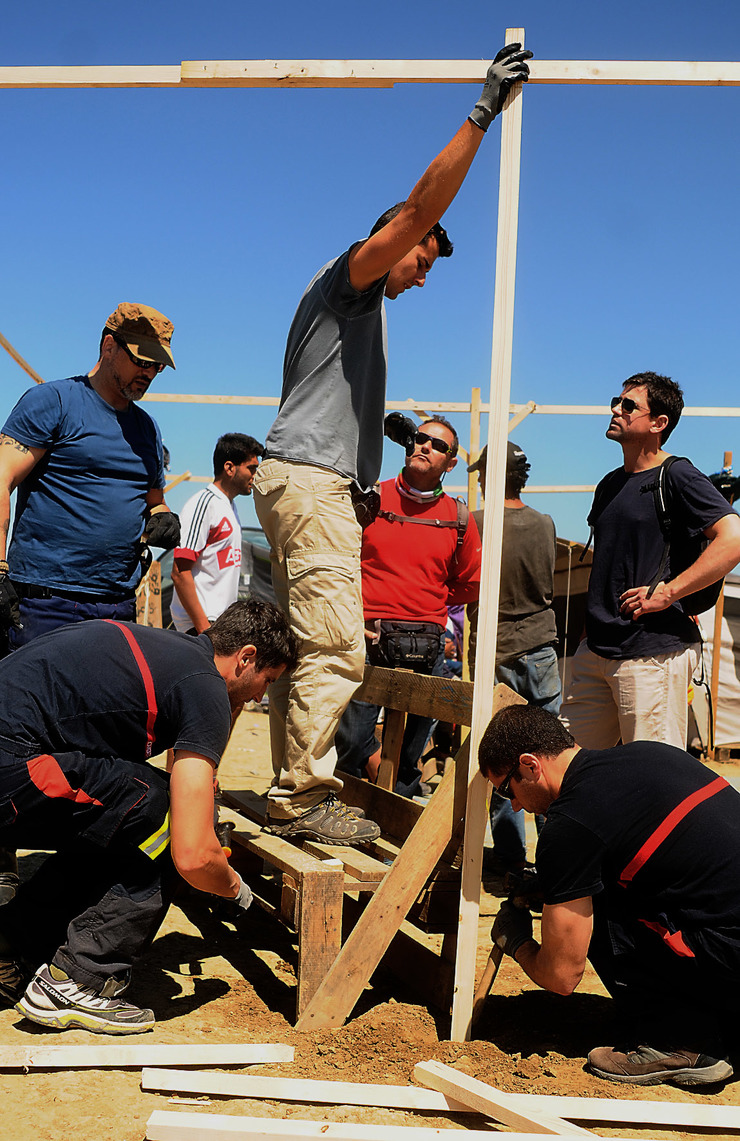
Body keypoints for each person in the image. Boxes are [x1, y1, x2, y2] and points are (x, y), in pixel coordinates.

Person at [253, 44, 532, 843]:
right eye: (420, 258)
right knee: (340, 648)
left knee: (301, 648)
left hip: (306, 478)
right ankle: (302, 796)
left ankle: (290, 787)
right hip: (310, 480)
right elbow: (415, 210)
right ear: (388, 242)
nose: (421, 272)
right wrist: (482, 113)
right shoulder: (352, 278)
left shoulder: (355, 315)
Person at [0, 599, 298, 1035]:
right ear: (246, 657)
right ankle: (78, 980)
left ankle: (12, 949)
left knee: (127, 813)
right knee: (167, 820)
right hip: (13, 767)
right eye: (266, 681)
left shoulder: (167, 656)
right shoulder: (205, 685)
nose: (259, 696)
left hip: (16, 756)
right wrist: (235, 890)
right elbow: (194, 853)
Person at [480, 704, 740, 1088]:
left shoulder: (570, 825)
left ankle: (683, 1042)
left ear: (531, 765)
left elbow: (562, 976)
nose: (514, 804)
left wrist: (515, 940)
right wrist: (549, 886)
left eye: (507, 789)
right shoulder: (649, 754)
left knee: (596, 905)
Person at [560, 371, 740, 750]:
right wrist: (585, 637)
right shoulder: (609, 483)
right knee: (570, 771)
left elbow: (733, 539)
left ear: (659, 423)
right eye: (616, 401)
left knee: (652, 780)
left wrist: (668, 593)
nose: (616, 409)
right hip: (595, 652)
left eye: (629, 405)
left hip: (652, 654)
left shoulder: (678, 475)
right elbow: (606, 565)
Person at [0, 302, 181, 651]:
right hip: (46, 603)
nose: (150, 373)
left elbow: (154, 501)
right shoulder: (54, 401)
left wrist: (163, 517)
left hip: (117, 607)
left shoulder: (146, 429)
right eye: (143, 361)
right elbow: (2, 477)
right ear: (109, 346)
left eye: (158, 366)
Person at [335, 416, 481, 798]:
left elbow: (472, 581)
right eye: (419, 439)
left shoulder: (459, 517)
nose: (424, 446)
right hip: (366, 636)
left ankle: (396, 832)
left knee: (410, 756)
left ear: (450, 463)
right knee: (350, 743)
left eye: (437, 445)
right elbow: (338, 560)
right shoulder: (370, 498)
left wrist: (427, 601)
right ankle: (343, 816)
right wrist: (354, 614)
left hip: (428, 642)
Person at [467, 441, 559, 873]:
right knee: (550, 756)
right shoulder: (544, 523)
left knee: (503, 757)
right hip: (540, 647)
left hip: (495, 650)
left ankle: (508, 861)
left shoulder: (476, 524)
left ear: (490, 476)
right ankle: (557, 860)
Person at [171, 433, 264, 634]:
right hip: (200, 627)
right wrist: (204, 630)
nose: (255, 476)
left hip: (220, 625)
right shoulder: (204, 504)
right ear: (229, 468)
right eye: (251, 468)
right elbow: (179, 572)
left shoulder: (230, 507)